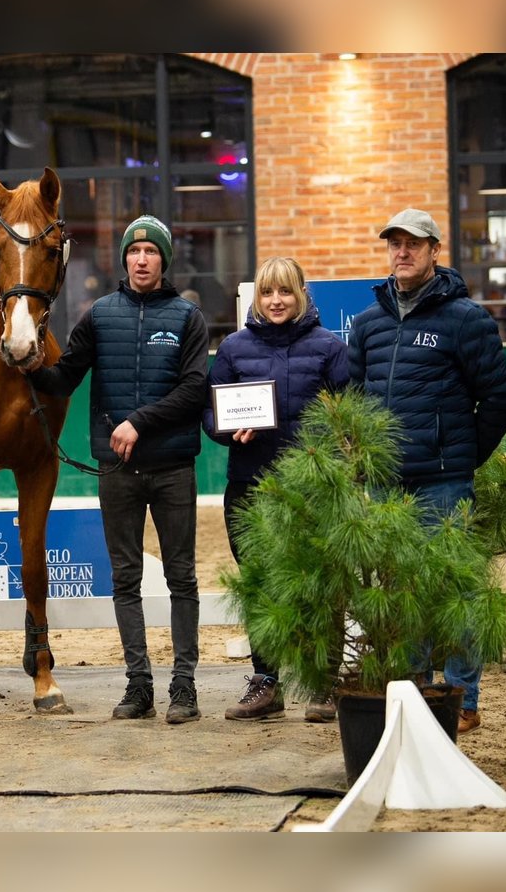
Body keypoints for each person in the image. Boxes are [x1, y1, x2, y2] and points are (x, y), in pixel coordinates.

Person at [27, 215, 209, 724]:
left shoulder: (186, 318)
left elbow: (194, 390)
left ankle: (184, 687)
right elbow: (64, 378)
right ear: (125, 259)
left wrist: (137, 423)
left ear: (164, 260)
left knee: (182, 578)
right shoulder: (99, 315)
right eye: (135, 251)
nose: (142, 259)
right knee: (125, 579)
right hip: (119, 473)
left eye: (152, 252)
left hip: (173, 467)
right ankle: (139, 685)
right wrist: (30, 365)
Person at [349, 208, 506, 734]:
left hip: (443, 483)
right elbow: (354, 399)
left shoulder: (465, 319)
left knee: (455, 593)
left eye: (413, 244)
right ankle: (421, 690)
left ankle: (463, 698)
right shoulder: (368, 324)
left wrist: (464, 456)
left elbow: (499, 399)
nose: (402, 252)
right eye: (394, 244)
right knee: (403, 592)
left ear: (434, 251)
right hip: (388, 486)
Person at [203, 256, 349, 722]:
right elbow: (211, 413)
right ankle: (267, 682)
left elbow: (351, 411)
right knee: (259, 586)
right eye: (267, 293)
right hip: (250, 487)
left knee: (320, 585)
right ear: (256, 299)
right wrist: (229, 432)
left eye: (285, 292)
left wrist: (333, 440)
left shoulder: (329, 347)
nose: (276, 301)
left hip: (313, 490)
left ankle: (324, 683)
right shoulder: (233, 348)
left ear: (301, 294)